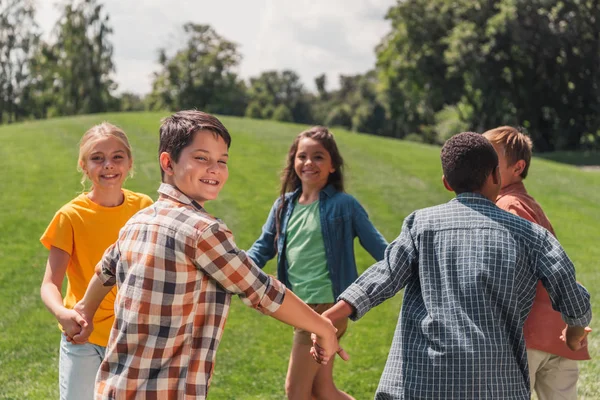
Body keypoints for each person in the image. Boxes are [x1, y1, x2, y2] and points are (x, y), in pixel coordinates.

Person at [70, 111, 345, 399]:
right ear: (168, 162)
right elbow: (262, 291)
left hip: (114, 389)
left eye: (222, 161)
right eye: (201, 158)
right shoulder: (202, 231)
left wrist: (86, 310)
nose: (214, 168)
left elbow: (105, 270)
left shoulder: (137, 222)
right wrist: (323, 327)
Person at [314, 132, 591, 399]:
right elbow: (570, 293)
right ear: (496, 175)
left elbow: (384, 274)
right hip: (495, 385)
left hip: (418, 383)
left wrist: (331, 316)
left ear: (446, 182)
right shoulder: (532, 236)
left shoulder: (420, 225)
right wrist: (574, 332)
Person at [247, 126, 388, 400]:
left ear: (333, 165)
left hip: (328, 308)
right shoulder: (284, 206)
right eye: (302, 156)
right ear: (293, 162)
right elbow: (262, 248)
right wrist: (232, 269)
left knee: (295, 391)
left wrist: (415, 267)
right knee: (322, 390)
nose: (309, 163)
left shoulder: (344, 205)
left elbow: (381, 249)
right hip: (299, 305)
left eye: (318, 157)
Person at [39, 122, 153, 400]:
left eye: (117, 157)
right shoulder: (70, 216)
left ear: (129, 162)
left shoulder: (144, 208)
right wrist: (62, 314)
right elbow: (49, 284)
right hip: (83, 336)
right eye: (97, 158)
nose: (108, 166)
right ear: (83, 165)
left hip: (131, 335)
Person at [483, 126, 591, 399]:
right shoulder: (529, 204)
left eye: (489, 159)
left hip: (527, 335)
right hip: (560, 332)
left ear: (518, 167)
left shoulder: (507, 206)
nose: (481, 166)